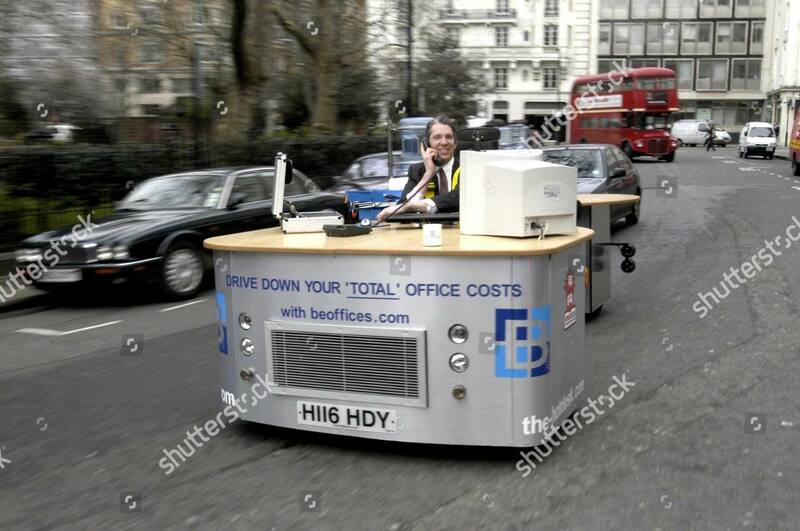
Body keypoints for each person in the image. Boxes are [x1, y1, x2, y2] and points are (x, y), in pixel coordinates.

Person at [377, 115, 460, 221]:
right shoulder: (417, 171)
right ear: (427, 144)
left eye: (448, 137)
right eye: (437, 137)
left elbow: (457, 197)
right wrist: (428, 174)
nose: (444, 142)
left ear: (455, 143)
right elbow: (400, 212)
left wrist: (410, 206)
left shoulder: (467, 167)